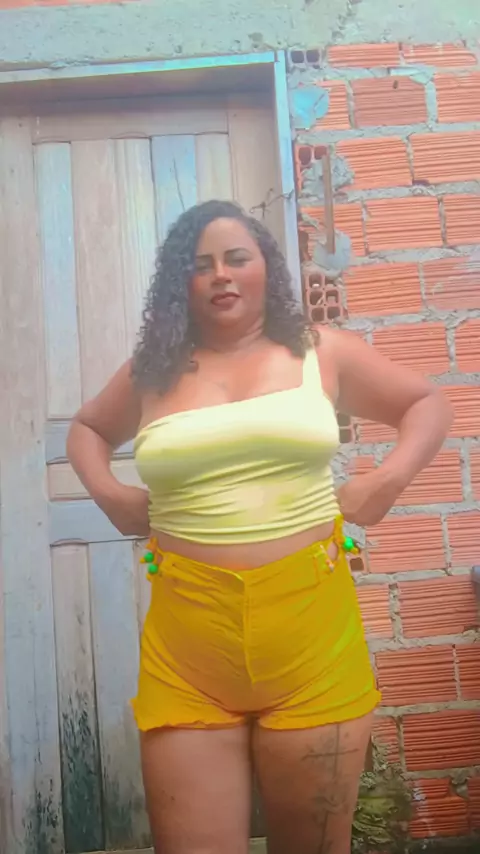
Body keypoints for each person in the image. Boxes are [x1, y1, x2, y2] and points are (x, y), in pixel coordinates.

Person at [67, 199, 452, 854]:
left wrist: (385, 482)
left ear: (265, 268)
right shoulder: (153, 371)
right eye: (201, 265)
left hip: (312, 639)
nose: (220, 274)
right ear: (181, 283)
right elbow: (87, 430)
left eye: (236, 258)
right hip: (189, 646)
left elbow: (426, 403)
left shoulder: (320, 353)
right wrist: (110, 495)